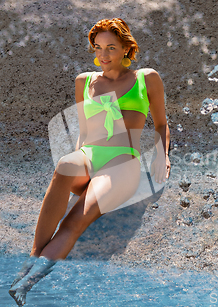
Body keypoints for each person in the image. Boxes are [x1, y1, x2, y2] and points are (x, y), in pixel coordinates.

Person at [9, 17, 171, 306]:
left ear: (126, 48)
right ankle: (32, 258)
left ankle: (26, 284)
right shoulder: (84, 81)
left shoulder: (146, 78)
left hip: (121, 165)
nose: (103, 55)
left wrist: (163, 156)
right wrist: (76, 164)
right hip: (90, 157)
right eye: (98, 48)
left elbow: (161, 124)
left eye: (111, 47)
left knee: (73, 222)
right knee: (63, 166)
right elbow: (84, 132)